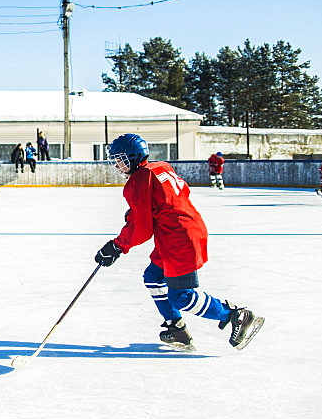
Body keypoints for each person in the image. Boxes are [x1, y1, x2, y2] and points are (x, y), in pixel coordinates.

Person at [94, 133, 264, 352]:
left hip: (179, 240)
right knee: (153, 277)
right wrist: (143, 208)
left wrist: (117, 246)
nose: (117, 165)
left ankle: (236, 316)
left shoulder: (136, 181)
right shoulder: (160, 167)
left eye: (120, 159)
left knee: (182, 296)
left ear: (133, 157)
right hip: (183, 230)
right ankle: (176, 328)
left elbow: (142, 229)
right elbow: (179, 192)